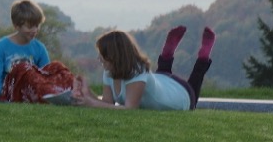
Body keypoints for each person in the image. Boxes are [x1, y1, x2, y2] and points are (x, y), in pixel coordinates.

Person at [72, 26, 215, 110]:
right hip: (162, 80)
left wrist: (91, 103)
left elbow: (130, 110)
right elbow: (107, 103)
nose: (99, 59)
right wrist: (87, 92)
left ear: (114, 55)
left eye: (102, 54)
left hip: (181, 94)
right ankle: (168, 52)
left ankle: (203, 56)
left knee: (194, 92)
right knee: (161, 73)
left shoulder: (137, 72)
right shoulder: (109, 71)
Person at [0, 0, 52, 99]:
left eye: (37, 25)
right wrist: (10, 95)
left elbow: (48, 78)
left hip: (32, 96)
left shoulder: (40, 48)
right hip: (7, 95)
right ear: (16, 26)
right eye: (30, 27)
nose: (34, 30)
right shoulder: (1, 46)